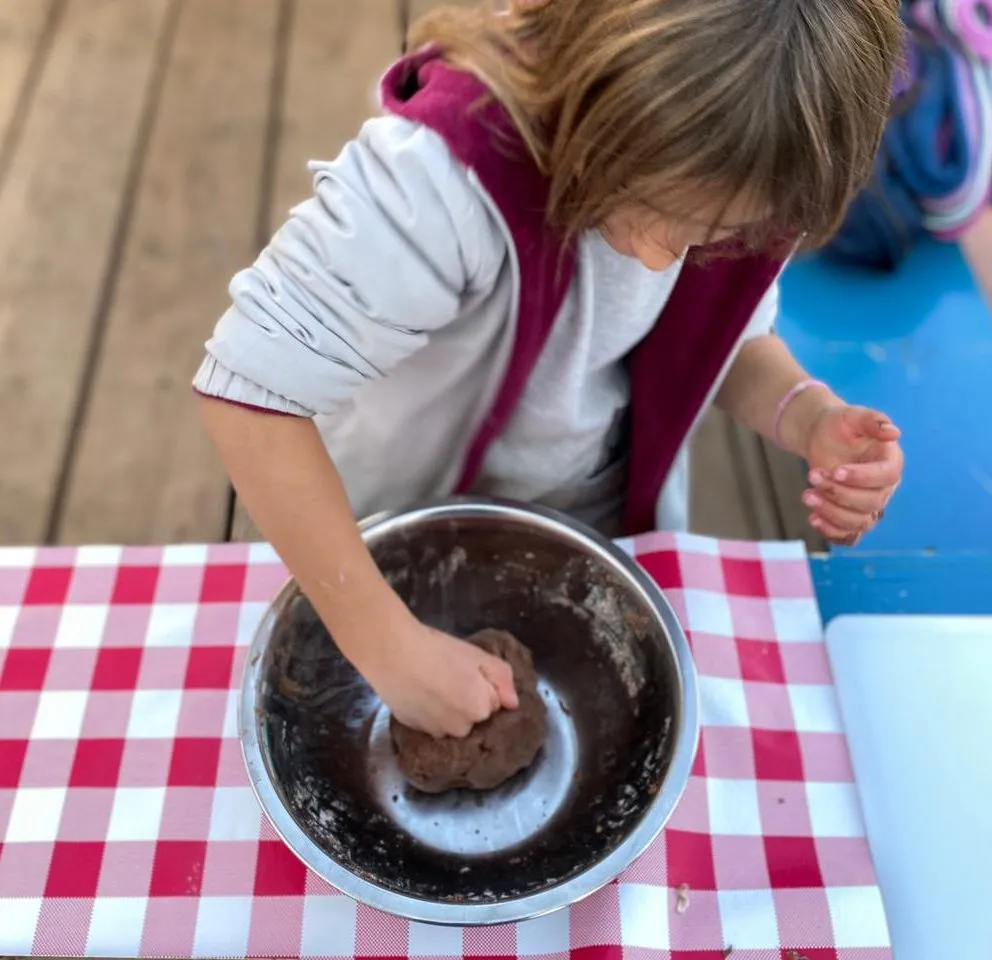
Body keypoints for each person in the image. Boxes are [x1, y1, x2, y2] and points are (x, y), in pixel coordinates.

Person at [195, 0, 905, 738]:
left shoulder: (747, 159)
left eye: (717, 234)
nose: (663, 257)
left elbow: (726, 339)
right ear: (598, 85)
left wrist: (805, 412)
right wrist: (388, 646)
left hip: (587, 515)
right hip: (381, 540)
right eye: (644, 204)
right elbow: (250, 392)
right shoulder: (442, 179)